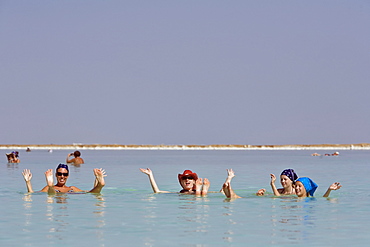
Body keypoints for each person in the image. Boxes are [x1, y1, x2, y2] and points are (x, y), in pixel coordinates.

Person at [22, 164, 106, 194]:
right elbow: (32, 194)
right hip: (53, 191)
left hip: (70, 192)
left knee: (93, 192)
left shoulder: (72, 188)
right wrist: (28, 182)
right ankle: (51, 185)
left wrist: (97, 180)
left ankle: (100, 184)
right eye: (60, 174)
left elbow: (90, 193)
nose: (62, 176)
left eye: (65, 174)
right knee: (51, 194)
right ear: (56, 175)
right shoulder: (47, 188)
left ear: (68, 176)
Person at [139, 168, 210, 196]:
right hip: (197, 195)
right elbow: (157, 191)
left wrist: (222, 188)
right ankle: (202, 192)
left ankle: (202, 191)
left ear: (194, 182)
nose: (187, 180)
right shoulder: (179, 193)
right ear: (181, 182)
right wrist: (150, 175)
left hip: (197, 194)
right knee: (200, 196)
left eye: (190, 178)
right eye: (184, 178)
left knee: (200, 195)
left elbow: (221, 192)